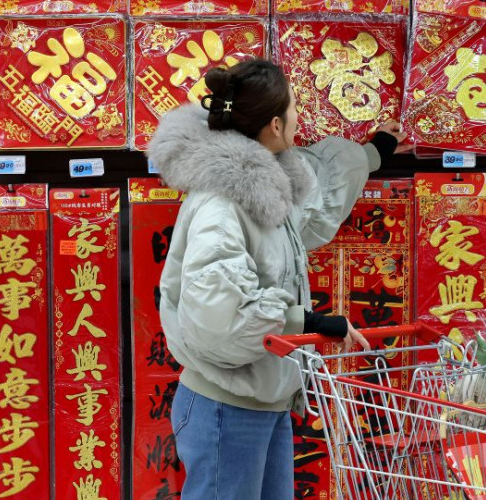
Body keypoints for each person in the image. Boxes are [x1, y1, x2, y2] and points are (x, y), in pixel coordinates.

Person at [148, 59, 408, 499]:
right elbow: (221, 312)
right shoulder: (220, 205)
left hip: (262, 398)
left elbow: (316, 189)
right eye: (293, 110)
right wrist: (310, 323)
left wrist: (372, 153)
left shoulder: (264, 182)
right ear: (273, 124)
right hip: (225, 408)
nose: (298, 118)